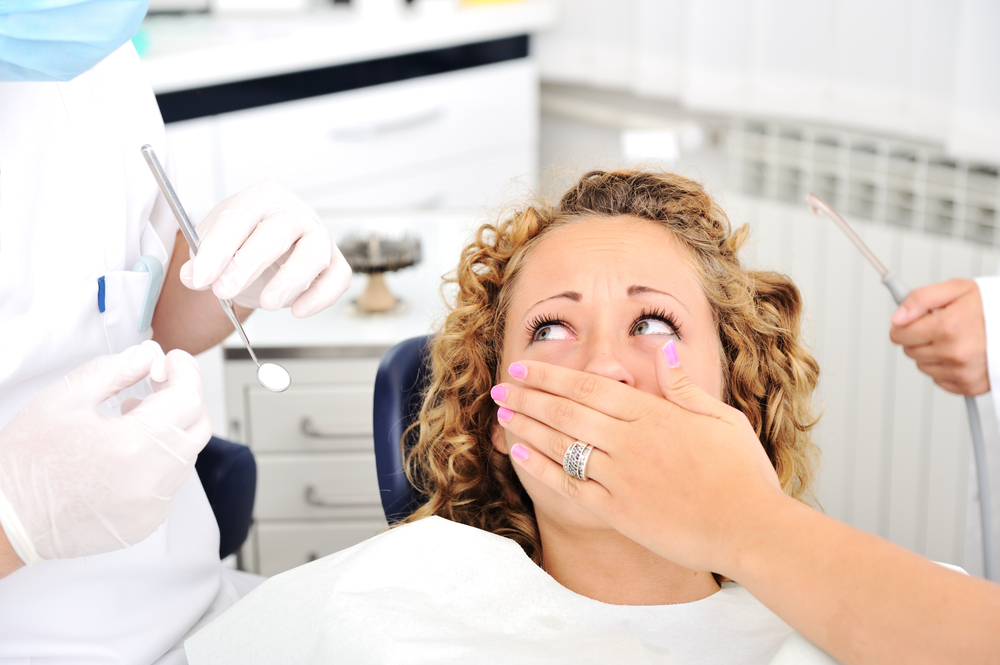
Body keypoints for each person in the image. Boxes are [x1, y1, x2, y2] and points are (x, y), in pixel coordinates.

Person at [184, 169, 823, 664]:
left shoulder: (839, 627)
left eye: (651, 323)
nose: (601, 367)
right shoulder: (372, 613)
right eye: (551, 327)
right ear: (496, 413)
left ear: (738, 389)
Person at [0, 1, 351, 662]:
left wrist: (235, 272)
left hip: (200, 613)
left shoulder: (87, 51)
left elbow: (147, 320)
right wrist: (15, 520)